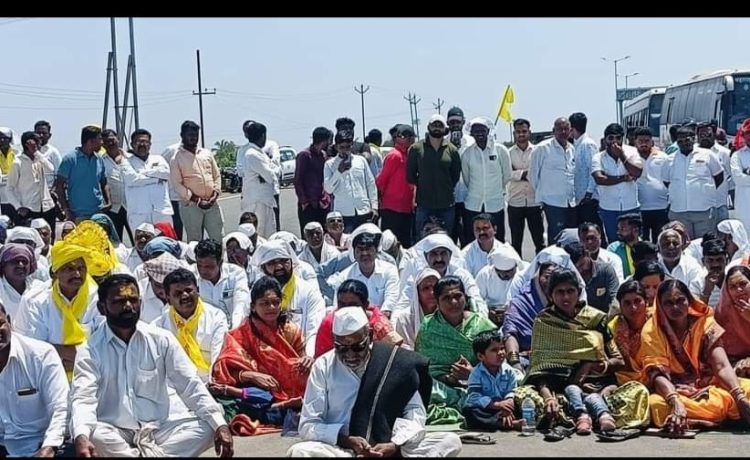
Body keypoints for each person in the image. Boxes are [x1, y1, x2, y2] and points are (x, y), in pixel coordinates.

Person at [69, 274, 234, 457]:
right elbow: (83, 397)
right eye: (119, 301)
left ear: (140, 302)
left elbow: (189, 385)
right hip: (116, 431)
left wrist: (220, 425)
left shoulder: (161, 339)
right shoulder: (90, 349)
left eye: (133, 300)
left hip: (159, 428)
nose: (128, 306)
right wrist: (81, 436)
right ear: (102, 308)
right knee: (93, 435)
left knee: (210, 426)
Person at [287, 307, 462, 458]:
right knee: (299, 451)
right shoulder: (323, 366)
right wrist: (346, 440)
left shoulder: (394, 361)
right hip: (342, 449)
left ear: (370, 336)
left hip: (389, 446)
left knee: (450, 441)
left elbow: (415, 412)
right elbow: (308, 425)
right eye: (342, 348)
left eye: (357, 347)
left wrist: (395, 444)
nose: (350, 355)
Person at [524, 270, 631, 435]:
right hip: (561, 389)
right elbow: (539, 371)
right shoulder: (544, 322)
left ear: (579, 292)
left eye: (570, 291)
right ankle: (589, 415)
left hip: (599, 385)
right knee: (526, 396)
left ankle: (593, 414)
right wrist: (548, 398)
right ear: (550, 295)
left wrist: (590, 366)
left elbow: (618, 360)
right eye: (560, 292)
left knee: (637, 392)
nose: (566, 297)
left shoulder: (596, 319)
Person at [640, 279, 750, 432]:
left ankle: (697, 419)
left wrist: (739, 397)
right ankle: (717, 418)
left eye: (680, 300)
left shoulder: (705, 323)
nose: (675, 307)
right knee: (655, 404)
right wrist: (676, 402)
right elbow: (657, 375)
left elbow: (721, 366)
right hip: (674, 390)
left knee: (747, 389)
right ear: (660, 305)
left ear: (689, 301)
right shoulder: (651, 331)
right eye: (668, 303)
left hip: (710, 384)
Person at [210, 276, 311, 436]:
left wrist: (307, 361)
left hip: (286, 392)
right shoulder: (240, 334)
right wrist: (251, 375)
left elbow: (298, 365)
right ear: (253, 306)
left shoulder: (291, 331)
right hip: (254, 392)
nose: (271, 307)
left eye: (276, 302)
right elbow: (222, 371)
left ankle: (285, 408)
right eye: (264, 303)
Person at [415, 276, 496, 425]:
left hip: (480, 384)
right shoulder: (428, 327)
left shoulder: (481, 325)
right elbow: (423, 369)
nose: (453, 302)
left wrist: (473, 374)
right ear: (437, 302)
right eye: (446, 298)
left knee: (515, 378)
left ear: (465, 297)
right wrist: (450, 378)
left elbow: (497, 362)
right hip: (441, 388)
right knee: (419, 391)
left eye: (458, 296)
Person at [0, 303, 71, 458]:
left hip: (42, 444)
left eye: (0, 324)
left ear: (9, 321)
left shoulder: (41, 355)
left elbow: (61, 408)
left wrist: (49, 447)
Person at [153, 268, 228, 382]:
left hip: (209, 382)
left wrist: (210, 385)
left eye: (188, 290)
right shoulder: (158, 326)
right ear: (168, 299)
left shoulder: (216, 317)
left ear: (198, 291)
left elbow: (218, 359)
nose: (184, 296)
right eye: (178, 293)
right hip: (173, 386)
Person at [314, 280, 402, 358]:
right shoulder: (330, 323)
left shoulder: (380, 324)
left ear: (365, 305)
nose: (347, 310)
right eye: (342, 305)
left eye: (353, 305)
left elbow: (394, 354)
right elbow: (321, 358)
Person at [407, 114, 462, 237]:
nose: (437, 128)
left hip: (446, 205)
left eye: (440, 125)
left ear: (445, 129)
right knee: (422, 240)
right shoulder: (416, 148)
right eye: (434, 125)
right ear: (428, 127)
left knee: (446, 239)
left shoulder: (452, 150)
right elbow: (410, 175)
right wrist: (424, 185)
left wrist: (444, 187)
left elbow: (455, 176)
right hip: (424, 205)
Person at [169, 120, 224, 242]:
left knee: (218, 238)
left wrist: (215, 194)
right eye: (190, 134)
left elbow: (216, 175)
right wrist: (197, 200)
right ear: (182, 135)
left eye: (196, 135)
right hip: (191, 206)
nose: (193, 138)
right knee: (195, 241)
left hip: (212, 204)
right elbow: (177, 185)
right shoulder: (176, 158)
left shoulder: (206, 153)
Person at [460, 117, 512, 243]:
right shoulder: (467, 153)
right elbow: (467, 178)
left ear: (488, 131)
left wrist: (495, 189)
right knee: (473, 240)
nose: (479, 133)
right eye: (476, 131)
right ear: (471, 133)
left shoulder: (500, 150)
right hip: (473, 204)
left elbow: (507, 175)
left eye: (482, 130)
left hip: (495, 204)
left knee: (497, 240)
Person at [462, 330, 521, 431]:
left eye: (502, 348)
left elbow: (512, 391)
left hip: (507, 407)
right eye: (494, 350)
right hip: (488, 409)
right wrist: (497, 405)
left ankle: (506, 421)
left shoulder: (509, 371)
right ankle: (506, 424)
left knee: (523, 403)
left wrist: (508, 404)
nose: (501, 353)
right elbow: (474, 397)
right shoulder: (476, 373)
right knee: (469, 411)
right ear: (481, 356)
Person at [323, 130, 378, 233]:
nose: (345, 150)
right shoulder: (329, 164)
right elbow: (328, 189)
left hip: (364, 210)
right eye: (341, 147)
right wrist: (339, 171)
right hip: (344, 213)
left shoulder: (361, 161)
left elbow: (370, 184)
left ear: (352, 145)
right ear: (336, 147)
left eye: (347, 147)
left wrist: (374, 206)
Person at [120, 128, 173, 231]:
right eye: (138, 142)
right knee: (142, 241)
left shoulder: (159, 159)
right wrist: (156, 179)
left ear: (150, 144)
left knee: (164, 240)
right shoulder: (126, 162)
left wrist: (143, 173)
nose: (142, 144)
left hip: (161, 212)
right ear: (132, 144)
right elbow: (133, 180)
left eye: (145, 142)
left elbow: (165, 174)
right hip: (139, 214)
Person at [56, 125, 111, 222]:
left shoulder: (99, 159)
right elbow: (59, 186)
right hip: (77, 214)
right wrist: (66, 210)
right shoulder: (70, 159)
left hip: (98, 212)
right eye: (99, 139)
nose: (102, 143)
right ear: (90, 141)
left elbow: (104, 182)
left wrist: (108, 202)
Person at [507, 118, 545, 259]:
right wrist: (526, 173)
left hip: (534, 202)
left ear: (530, 132)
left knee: (539, 241)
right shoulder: (508, 153)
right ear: (514, 134)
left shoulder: (538, 151)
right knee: (516, 242)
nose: (521, 134)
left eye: (524, 131)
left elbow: (540, 173)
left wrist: (517, 173)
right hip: (515, 202)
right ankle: (517, 269)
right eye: (518, 132)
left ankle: (541, 267)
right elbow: (507, 174)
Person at [376, 124, 416, 248]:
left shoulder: (410, 156)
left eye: (410, 137)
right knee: (389, 244)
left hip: (406, 208)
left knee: (405, 244)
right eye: (402, 136)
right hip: (391, 209)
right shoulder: (394, 155)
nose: (410, 140)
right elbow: (381, 180)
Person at [240, 121, 279, 238]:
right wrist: (273, 168)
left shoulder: (259, 153)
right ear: (262, 136)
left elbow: (272, 174)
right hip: (257, 203)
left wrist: (272, 170)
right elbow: (271, 176)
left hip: (266, 200)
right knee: (258, 235)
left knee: (270, 236)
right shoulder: (252, 154)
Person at [609, 280, 653, 385]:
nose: (633, 308)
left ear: (646, 302)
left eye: (637, 301)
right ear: (620, 306)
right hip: (622, 380)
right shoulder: (612, 328)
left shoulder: (657, 322)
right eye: (627, 303)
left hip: (656, 377)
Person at [391, 268, 440, 350]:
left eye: (435, 288)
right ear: (417, 292)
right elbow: (405, 349)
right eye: (426, 288)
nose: (432, 292)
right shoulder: (405, 319)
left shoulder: (446, 316)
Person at [294, 127, 332, 234]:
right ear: (324, 141)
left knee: (323, 234)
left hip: (322, 203)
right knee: (309, 234)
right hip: (308, 204)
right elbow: (298, 179)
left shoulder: (323, 155)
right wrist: (304, 201)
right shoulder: (304, 155)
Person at [715, 266, 750, 376]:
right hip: (733, 363)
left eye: (743, 284)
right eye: (733, 287)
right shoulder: (723, 312)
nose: (739, 290)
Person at [0, 243, 43, 318]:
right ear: (3, 265)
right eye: (15, 261)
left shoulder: (40, 288)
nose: (20, 265)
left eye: (25, 261)